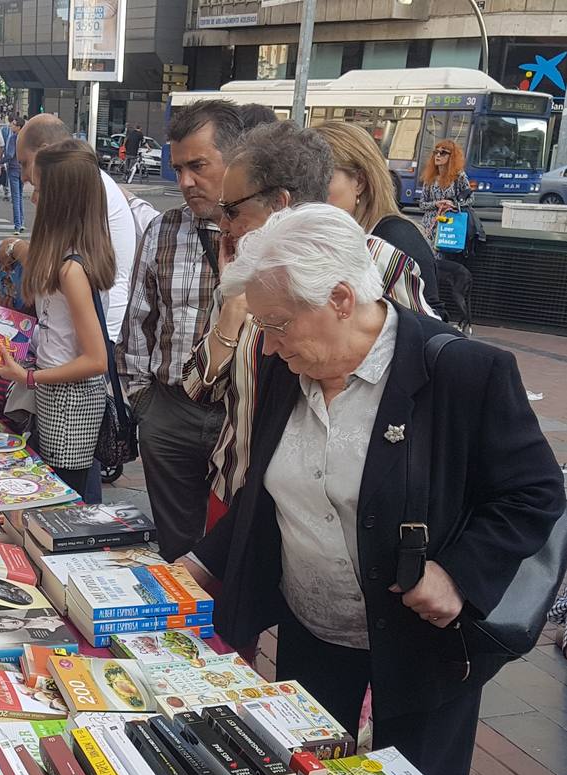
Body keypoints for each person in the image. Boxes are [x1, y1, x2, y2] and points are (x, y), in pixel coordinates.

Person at [183, 203, 564, 775]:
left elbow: (534, 492)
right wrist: (192, 568)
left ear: (339, 299)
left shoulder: (462, 372)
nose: (272, 345)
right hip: (314, 634)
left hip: (421, 649)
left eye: (278, 324)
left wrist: (459, 573)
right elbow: (271, 493)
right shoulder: (292, 365)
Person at [184, 121, 431, 533]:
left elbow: (427, 372)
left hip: (344, 510)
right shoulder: (241, 270)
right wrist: (232, 311)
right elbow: (199, 387)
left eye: (232, 210)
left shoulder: (374, 261)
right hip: (239, 489)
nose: (222, 224)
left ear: (280, 203)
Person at [115, 99, 243, 560]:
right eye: (178, 168)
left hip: (238, 415)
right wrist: (144, 403)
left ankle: (229, 631)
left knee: (234, 550)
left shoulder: (265, 232)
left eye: (198, 166)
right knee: (176, 547)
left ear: (236, 158)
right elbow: (139, 321)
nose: (185, 181)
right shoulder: (164, 230)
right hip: (169, 410)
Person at [0, 140, 113, 503]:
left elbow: (95, 359)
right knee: (53, 491)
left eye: (39, 189)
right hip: (60, 396)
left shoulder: (72, 269)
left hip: (68, 403)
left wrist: (27, 376)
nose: (34, 197)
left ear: (59, 200)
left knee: (57, 499)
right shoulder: (68, 260)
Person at [3, 115, 155, 344]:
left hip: (84, 336)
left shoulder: (81, 190)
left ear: (45, 153)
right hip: (72, 331)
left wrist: (16, 248)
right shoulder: (89, 182)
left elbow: (52, 266)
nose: (23, 175)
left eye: (25, 163)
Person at [315, 121, 440, 317]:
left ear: (360, 182)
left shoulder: (395, 238)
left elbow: (427, 325)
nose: (310, 193)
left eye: (321, 180)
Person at [419, 138, 472, 246]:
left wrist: (454, 205)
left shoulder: (459, 177)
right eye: (436, 152)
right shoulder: (430, 177)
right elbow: (422, 204)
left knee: (444, 257)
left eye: (443, 153)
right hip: (429, 226)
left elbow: (471, 199)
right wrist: (436, 204)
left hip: (449, 226)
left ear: (451, 157)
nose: (438, 155)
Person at [3, 116, 25, 234]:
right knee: (20, 196)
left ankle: (17, 224)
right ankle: (21, 221)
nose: (11, 126)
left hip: (13, 168)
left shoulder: (13, 139)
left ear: (18, 127)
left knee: (15, 197)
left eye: (14, 124)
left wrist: (0, 162)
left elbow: (10, 155)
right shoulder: (26, 139)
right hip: (23, 169)